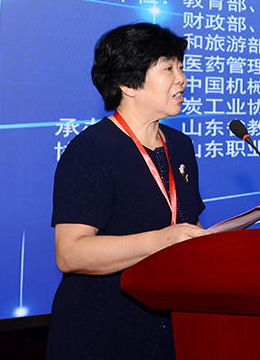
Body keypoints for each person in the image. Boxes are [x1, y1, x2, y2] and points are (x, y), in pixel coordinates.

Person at [46, 23, 212, 360]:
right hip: (102, 331)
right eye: (168, 69)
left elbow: (186, 226)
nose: (182, 79)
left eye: (180, 67)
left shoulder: (180, 145)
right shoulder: (93, 149)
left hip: (171, 325)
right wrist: (163, 240)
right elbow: (70, 253)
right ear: (127, 84)